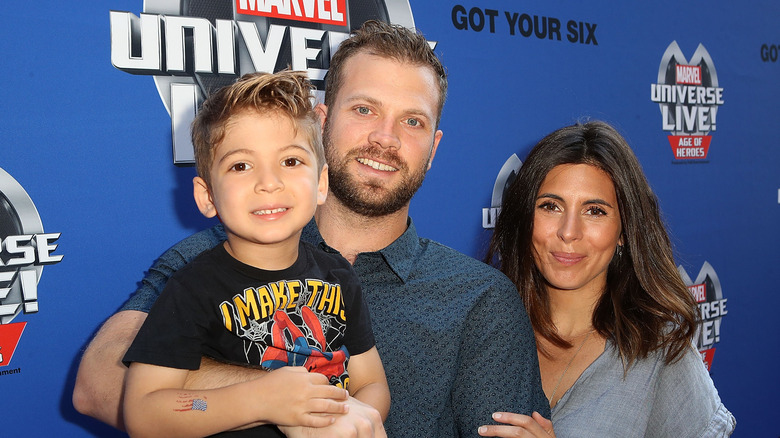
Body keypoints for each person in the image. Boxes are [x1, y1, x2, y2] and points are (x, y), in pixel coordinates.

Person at [73, 20, 549, 437]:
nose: (385, 138)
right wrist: (277, 397)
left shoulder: (480, 299)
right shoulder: (204, 260)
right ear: (322, 121)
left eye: (412, 121)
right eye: (364, 109)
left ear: (433, 146)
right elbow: (99, 383)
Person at [120, 70, 390, 438]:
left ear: (321, 183)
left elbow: (372, 383)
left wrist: (345, 419)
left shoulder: (338, 275)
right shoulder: (192, 288)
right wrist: (259, 400)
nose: (268, 182)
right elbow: (144, 410)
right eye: (241, 166)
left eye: (291, 161)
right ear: (208, 197)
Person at [479, 120, 736, 437]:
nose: (568, 232)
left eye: (594, 211)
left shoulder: (658, 347)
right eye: (551, 206)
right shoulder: (482, 331)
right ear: (524, 218)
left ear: (624, 232)